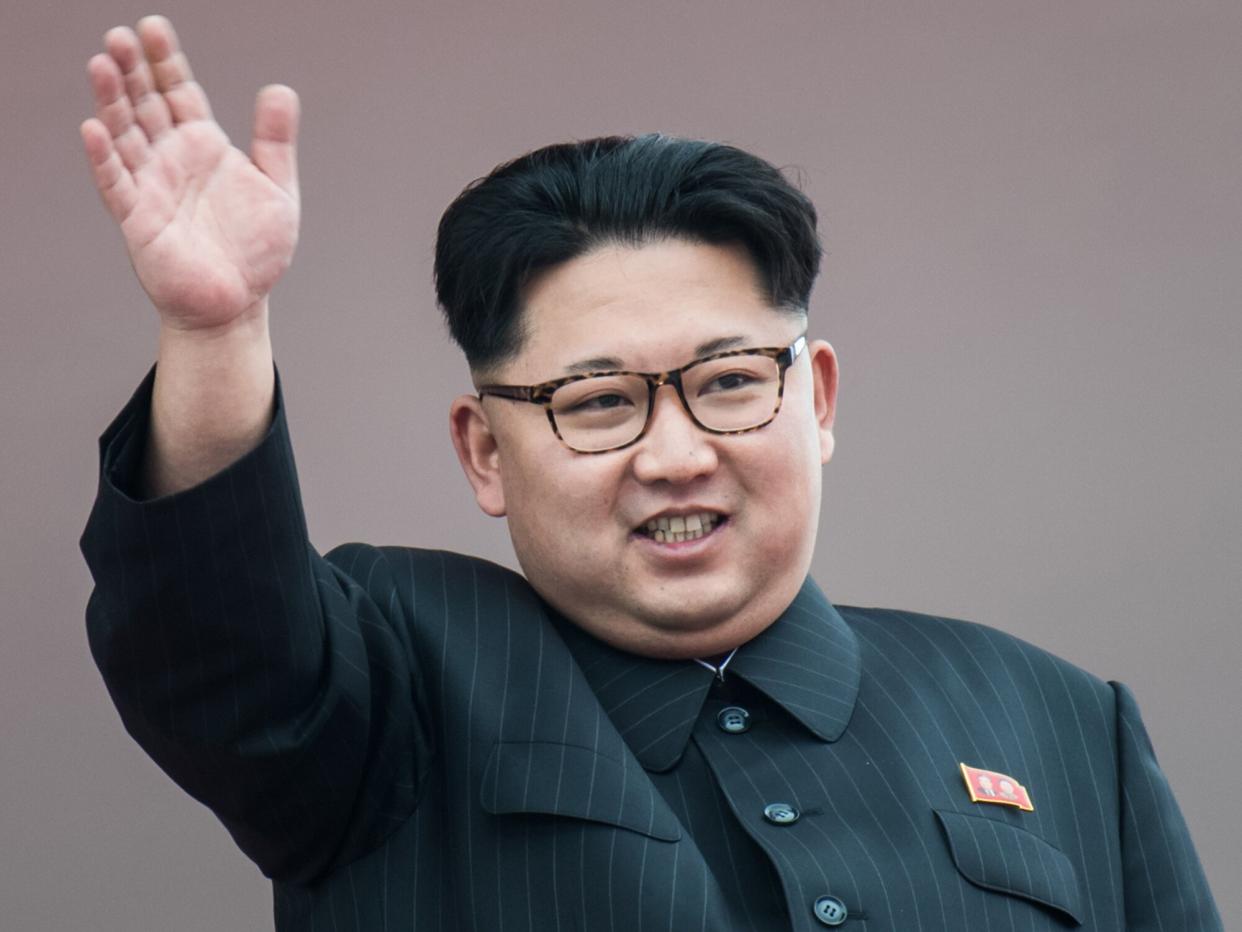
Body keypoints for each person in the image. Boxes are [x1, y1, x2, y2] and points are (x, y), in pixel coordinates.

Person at [78, 16, 1222, 931]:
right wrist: (217, 335)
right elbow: (213, 639)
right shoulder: (390, 686)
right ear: (486, 450)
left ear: (815, 399)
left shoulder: (1061, 717)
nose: (676, 456)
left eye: (729, 381)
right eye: (600, 403)